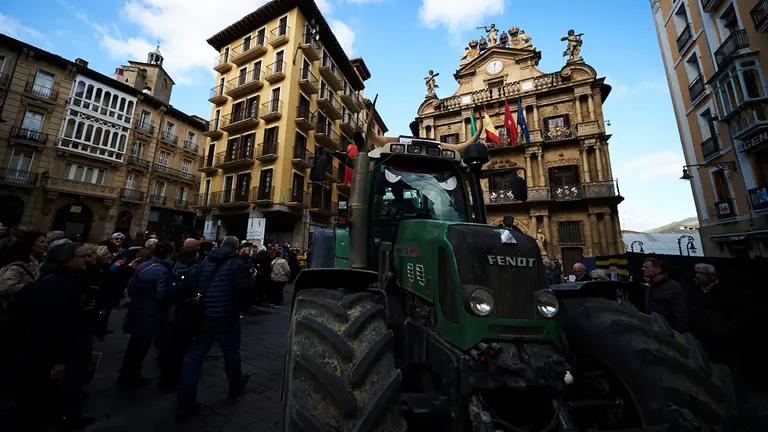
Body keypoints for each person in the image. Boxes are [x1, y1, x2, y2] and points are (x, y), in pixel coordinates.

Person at [13, 242, 95, 430]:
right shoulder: (62, 284)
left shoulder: (54, 279)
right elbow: (54, 324)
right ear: (65, 260)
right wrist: (58, 359)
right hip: (51, 351)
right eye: (82, 256)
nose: (87, 260)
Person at [176, 236, 250, 420]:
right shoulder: (235, 265)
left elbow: (190, 281)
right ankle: (235, 385)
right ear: (235, 248)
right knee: (231, 353)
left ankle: (185, 403)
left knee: (194, 358)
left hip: (206, 317)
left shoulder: (204, 263)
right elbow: (245, 290)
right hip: (228, 317)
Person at [117, 242, 174, 387]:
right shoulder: (163, 270)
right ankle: (132, 375)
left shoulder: (142, 265)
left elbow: (131, 287)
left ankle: (125, 373)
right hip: (151, 312)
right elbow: (161, 295)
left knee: (134, 344)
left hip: (137, 308)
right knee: (142, 345)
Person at [158, 243, 200, 389]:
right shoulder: (194, 270)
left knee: (171, 342)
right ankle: (174, 376)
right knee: (181, 344)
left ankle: (165, 371)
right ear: (193, 256)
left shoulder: (173, 267)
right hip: (186, 310)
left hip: (172, 308)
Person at [642, 258, 688, 333]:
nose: (643, 269)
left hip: (668, 332)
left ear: (658, 270)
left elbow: (681, 315)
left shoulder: (673, 287)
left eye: (646, 267)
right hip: (656, 329)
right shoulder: (652, 286)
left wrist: (675, 333)